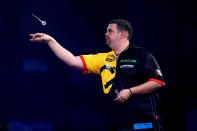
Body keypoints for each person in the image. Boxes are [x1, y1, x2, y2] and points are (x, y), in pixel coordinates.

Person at [29, 19, 165, 131]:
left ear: (122, 34)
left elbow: (158, 82)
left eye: (110, 31)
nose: (106, 34)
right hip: (118, 125)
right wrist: (50, 41)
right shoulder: (103, 59)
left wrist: (130, 91)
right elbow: (72, 60)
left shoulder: (142, 55)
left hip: (144, 125)